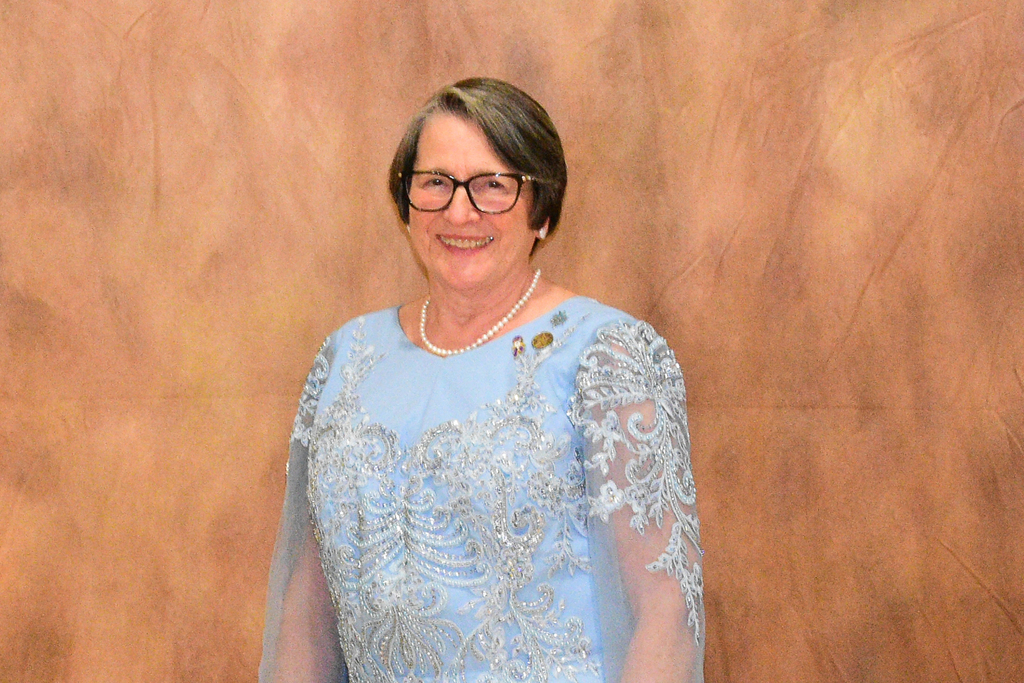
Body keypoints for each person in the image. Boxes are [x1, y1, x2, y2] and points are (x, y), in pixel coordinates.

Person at [259, 77, 704, 683]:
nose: (459, 211)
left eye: (493, 185)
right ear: (406, 202)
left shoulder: (609, 357)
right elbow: (307, 615)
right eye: (435, 183)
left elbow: (665, 614)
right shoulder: (347, 357)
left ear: (541, 209)